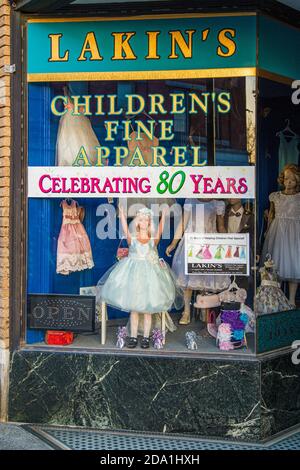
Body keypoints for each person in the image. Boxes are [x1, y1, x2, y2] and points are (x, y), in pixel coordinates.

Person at [97, 206, 182, 348]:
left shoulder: (152, 240)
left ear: (149, 223)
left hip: (149, 277)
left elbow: (160, 230)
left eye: (146, 220)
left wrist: (164, 217)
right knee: (135, 309)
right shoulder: (133, 239)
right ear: (137, 222)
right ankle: (133, 337)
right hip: (134, 276)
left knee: (147, 310)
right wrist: (123, 215)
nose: (143, 222)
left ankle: (146, 337)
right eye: (141, 220)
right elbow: (124, 228)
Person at [262, 164, 300, 306]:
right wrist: (267, 229)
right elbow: (271, 215)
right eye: (286, 179)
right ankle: (276, 298)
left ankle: (291, 299)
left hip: (295, 234)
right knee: (275, 266)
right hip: (277, 232)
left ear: (297, 180)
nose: (288, 182)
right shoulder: (275, 196)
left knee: (293, 265)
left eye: (292, 179)